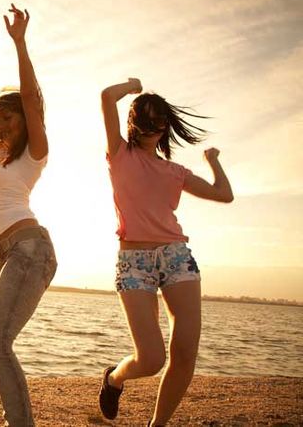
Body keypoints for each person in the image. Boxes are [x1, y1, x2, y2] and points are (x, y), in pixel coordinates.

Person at [98, 78, 234, 427]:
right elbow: (106, 97)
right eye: (147, 117)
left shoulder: (175, 172)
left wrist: (213, 160)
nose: (154, 125)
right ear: (135, 123)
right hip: (134, 263)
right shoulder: (119, 154)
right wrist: (132, 86)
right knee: (152, 359)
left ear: (166, 125)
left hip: (176, 257)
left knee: (186, 352)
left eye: (160, 119)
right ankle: (114, 377)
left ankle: (157, 425)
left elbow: (224, 194)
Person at [0, 4, 57, 426]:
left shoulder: (35, 154)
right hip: (7, 256)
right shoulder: (1, 156)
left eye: (7, 115)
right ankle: (15, 414)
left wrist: (19, 42)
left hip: (29, 249)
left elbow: (33, 101)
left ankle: (20, 422)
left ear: (24, 118)